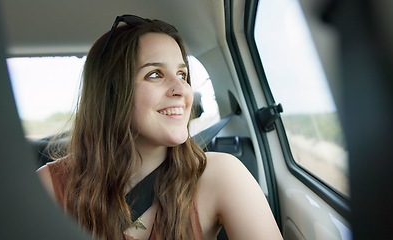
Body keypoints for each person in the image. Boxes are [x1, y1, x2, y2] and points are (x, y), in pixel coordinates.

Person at [37, 14, 283, 240]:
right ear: (110, 94)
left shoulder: (221, 176)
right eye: (154, 74)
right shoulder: (49, 186)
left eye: (182, 74)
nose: (182, 89)